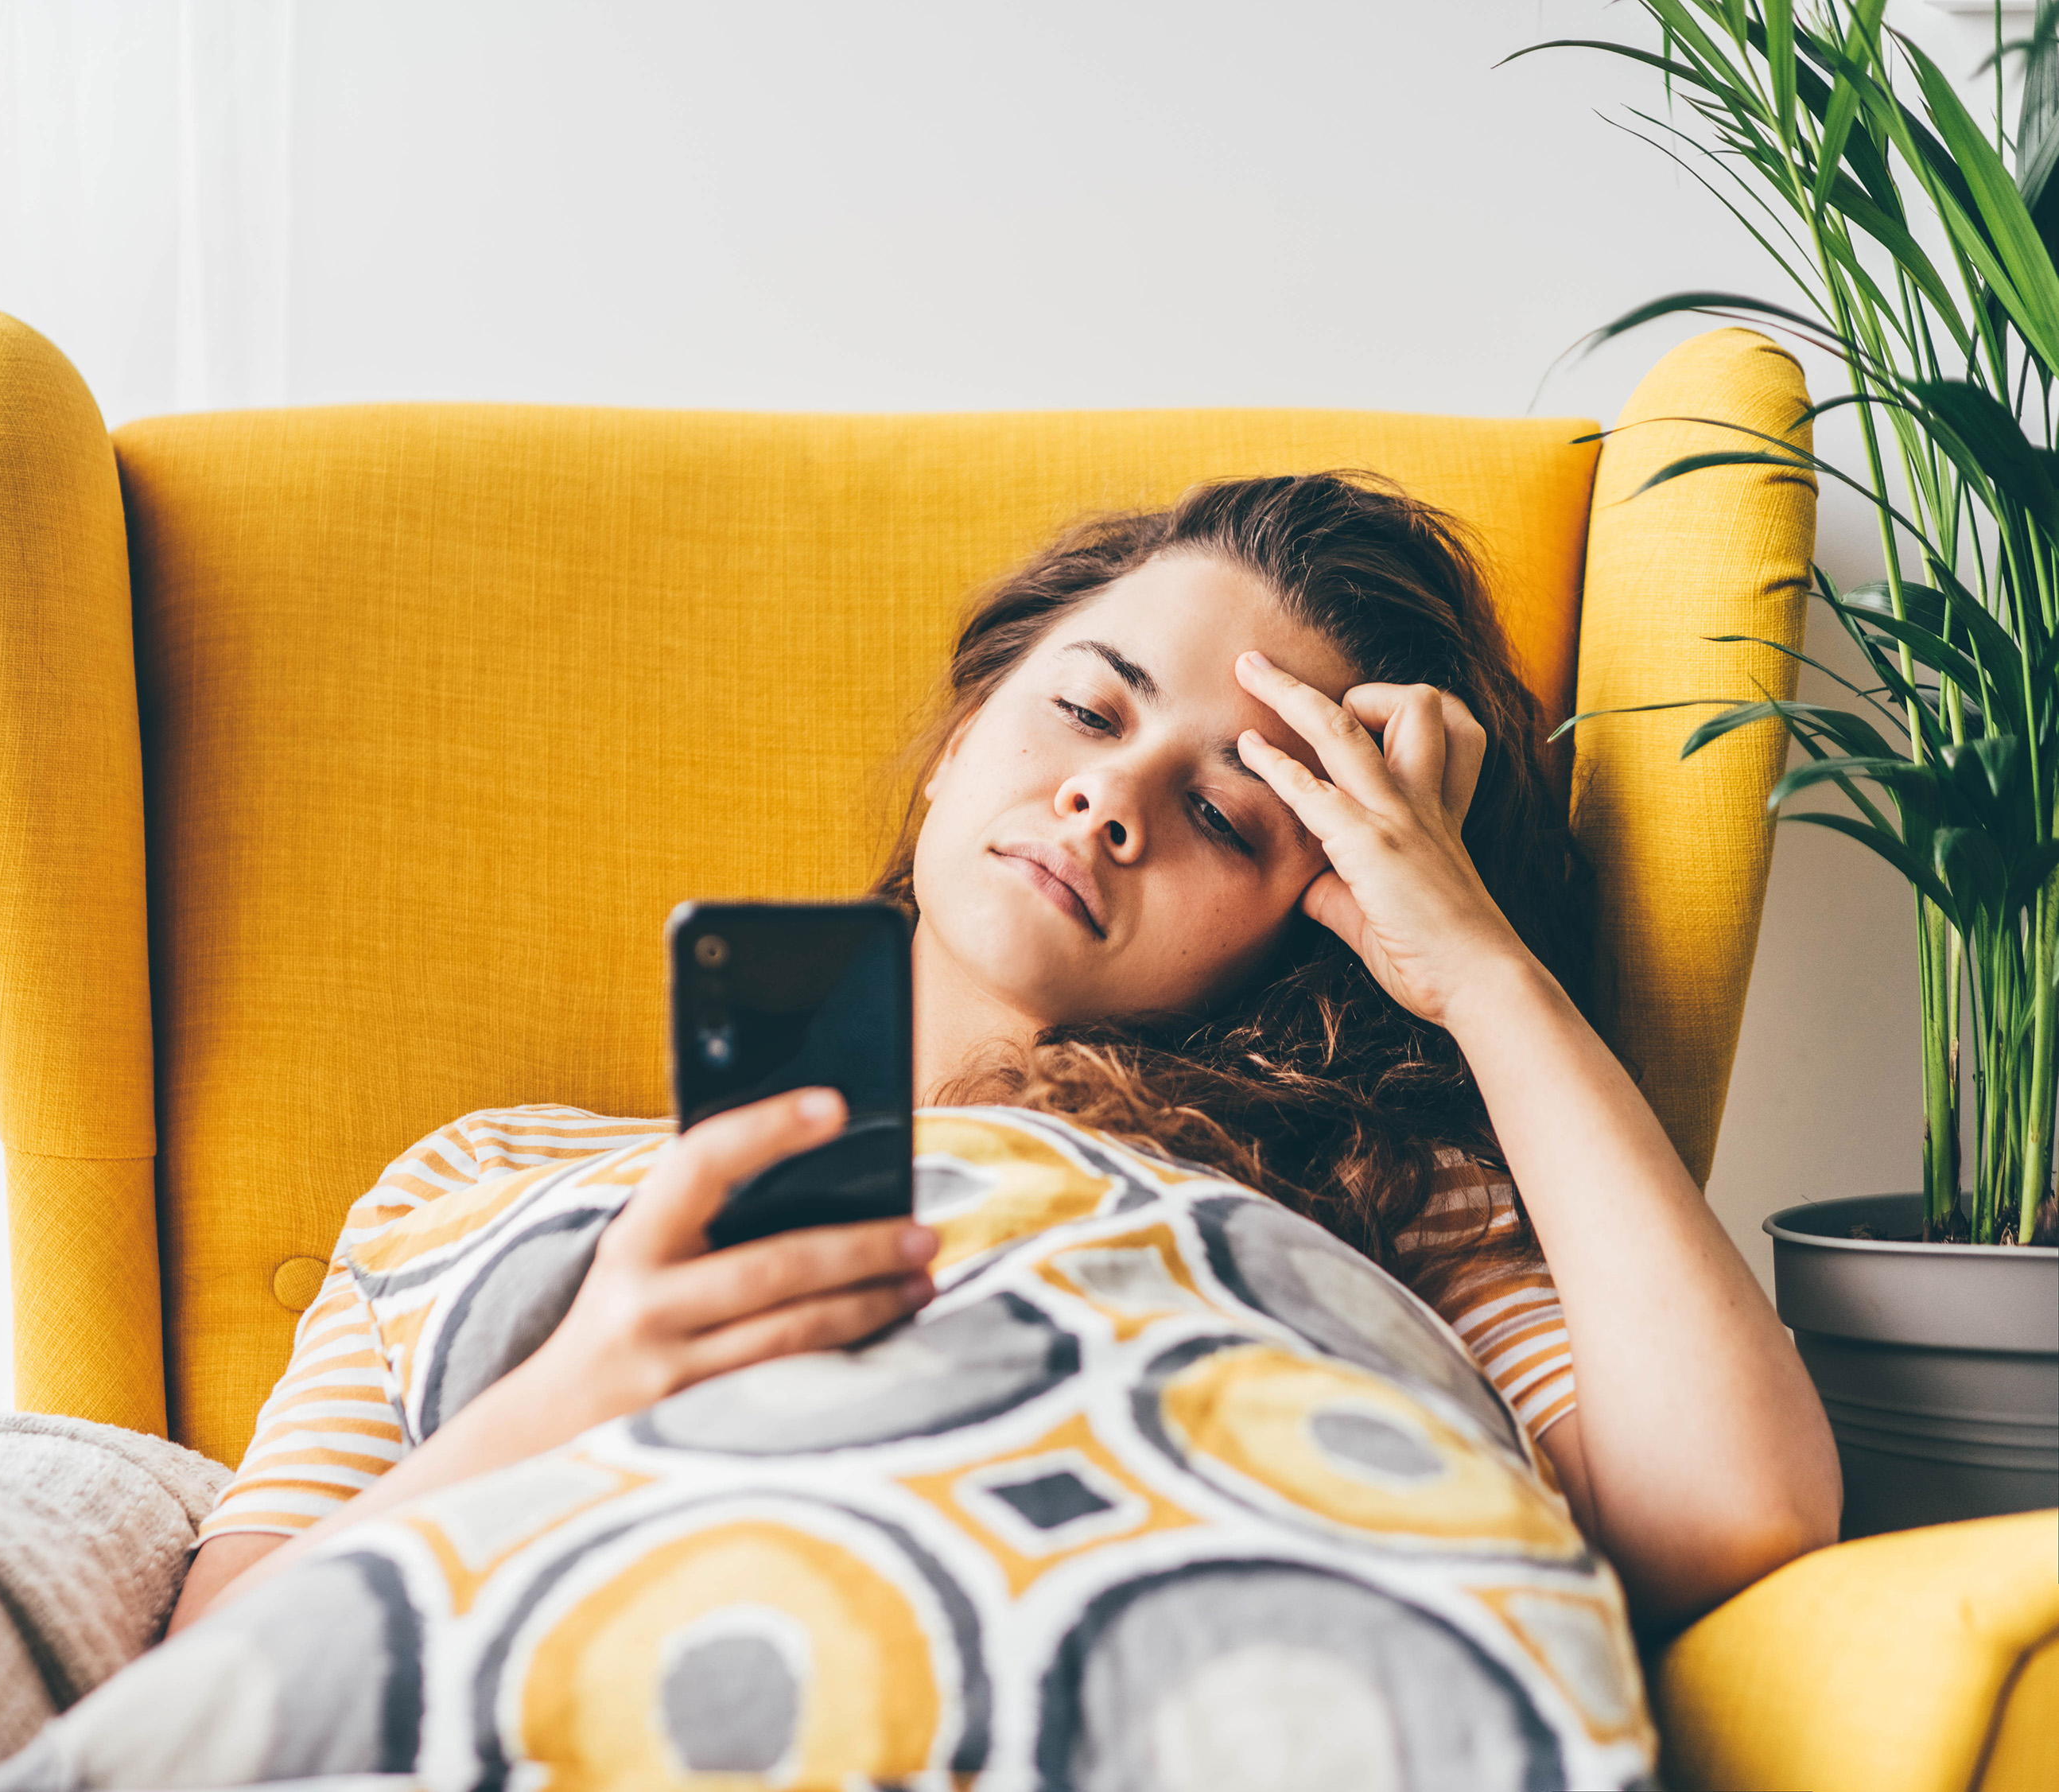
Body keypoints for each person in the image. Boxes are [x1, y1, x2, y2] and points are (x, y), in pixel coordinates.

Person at [169, 471, 1841, 1644]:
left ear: (1306, 920)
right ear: (961, 729)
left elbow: (1736, 1512)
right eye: (1089, 711)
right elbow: (213, 1672)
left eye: (1227, 813)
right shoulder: (475, 1177)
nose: (1111, 800)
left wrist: (1472, 964)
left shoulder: (1380, 1199)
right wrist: (586, 1375)